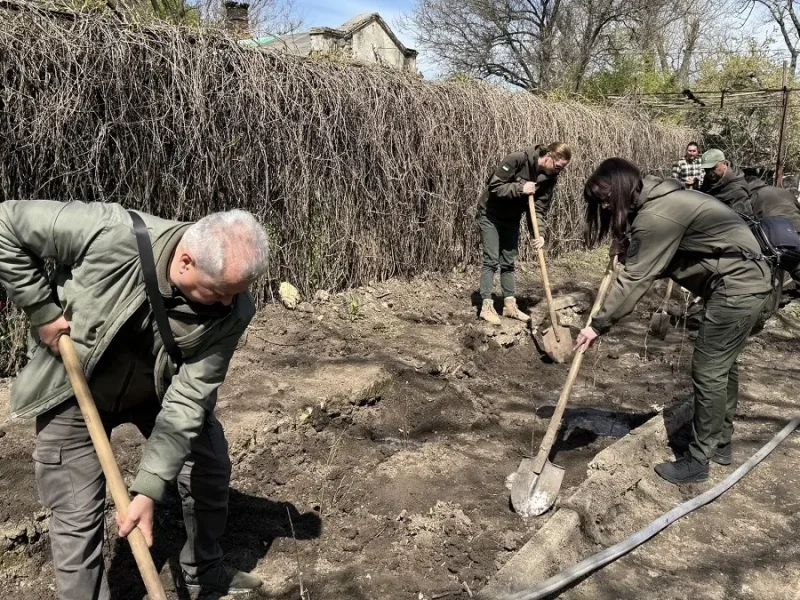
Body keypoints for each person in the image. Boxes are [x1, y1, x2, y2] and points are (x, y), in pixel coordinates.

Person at [0, 200, 270, 599]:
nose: (229, 304)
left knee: (208, 465)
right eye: (219, 293)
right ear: (185, 263)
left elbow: (189, 399)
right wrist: (41, 309)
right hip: (74, 384)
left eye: (236, 293)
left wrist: (147, 490)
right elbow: (6, 223)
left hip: (156, 389)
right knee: (76, 514)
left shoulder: (234, 309)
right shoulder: (108, 233)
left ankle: (202, 572)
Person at [575, 159, 771, 485]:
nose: (605, 207)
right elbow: (669, 254)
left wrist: (597, 325)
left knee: (709, 370)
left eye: (607, 199)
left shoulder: (657, 215)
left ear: (622, 189)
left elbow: (636, 278)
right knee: (723, 366)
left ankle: (698, 461)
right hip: (745, 282)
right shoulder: (661, 198)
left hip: (737, 287)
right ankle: (719, 444)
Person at [476, 142, 572, 325]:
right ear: (549, 157)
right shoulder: (517, 160)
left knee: (508, 261)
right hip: (490, 214)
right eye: (558, 167)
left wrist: (539, 234)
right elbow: (494, 186)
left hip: (511, 218)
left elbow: (539, 209)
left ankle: (509, 306)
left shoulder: (550, 178)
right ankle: (486, 307)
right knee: (491, 260)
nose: (559, 172)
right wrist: (521, 188)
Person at [699, 148, 753, 217]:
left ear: (724, 164)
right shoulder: (709, 179)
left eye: (713, 168)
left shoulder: (736, 190)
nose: (709, 173)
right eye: (706, 169)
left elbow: (744, 220)